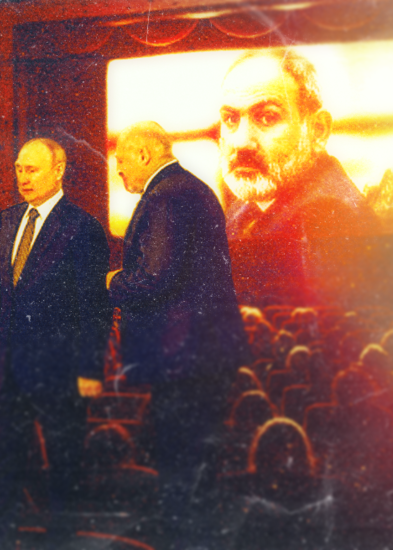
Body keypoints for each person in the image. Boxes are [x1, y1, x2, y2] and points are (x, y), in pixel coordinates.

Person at [108, 121, 249, 543]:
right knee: (198, 466)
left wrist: (110, 282)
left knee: (178, 468)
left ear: (145, 155)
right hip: (203, 355)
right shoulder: (192, 190)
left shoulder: (164, 197)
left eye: (121, 161)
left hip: (180, 358)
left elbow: (154, 278)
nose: (119, 170)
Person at [0, 138, 111, 546]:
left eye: (32, 169)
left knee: (63, 465)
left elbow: (95, 307)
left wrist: (90, 368)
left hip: (61, 370)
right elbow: (2, 293)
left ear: (59, 171)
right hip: (10, 366)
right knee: (5, 460)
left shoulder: (84, 227)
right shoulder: (7, 219)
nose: (23, 177)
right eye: (19, 169)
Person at [218, 48, 377, 305]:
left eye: (267, 117)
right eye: (230, 119)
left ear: (317, 131)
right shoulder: (252, 205)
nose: (241, 142)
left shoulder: (328, 222)